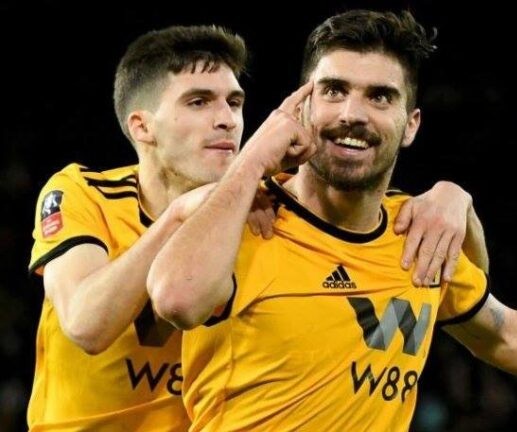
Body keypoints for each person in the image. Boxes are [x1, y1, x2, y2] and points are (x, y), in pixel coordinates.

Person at [148, 10, 517, 432]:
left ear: (411, 125)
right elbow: (176, 299)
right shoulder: (244, 214)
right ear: (300, 107)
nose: (353, 113)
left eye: (380, 97)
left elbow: (503, 333)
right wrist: (252, 162)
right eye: (333, 90)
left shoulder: (417, 234)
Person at [27, 24, 487, 431]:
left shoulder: (267, 204)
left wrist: (457, 200)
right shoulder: (84, 192)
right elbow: (87, 325)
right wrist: (181, 214)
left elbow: (459, 291)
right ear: (142, 127)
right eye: (199, 102)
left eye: (234, 102)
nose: (226, 119)